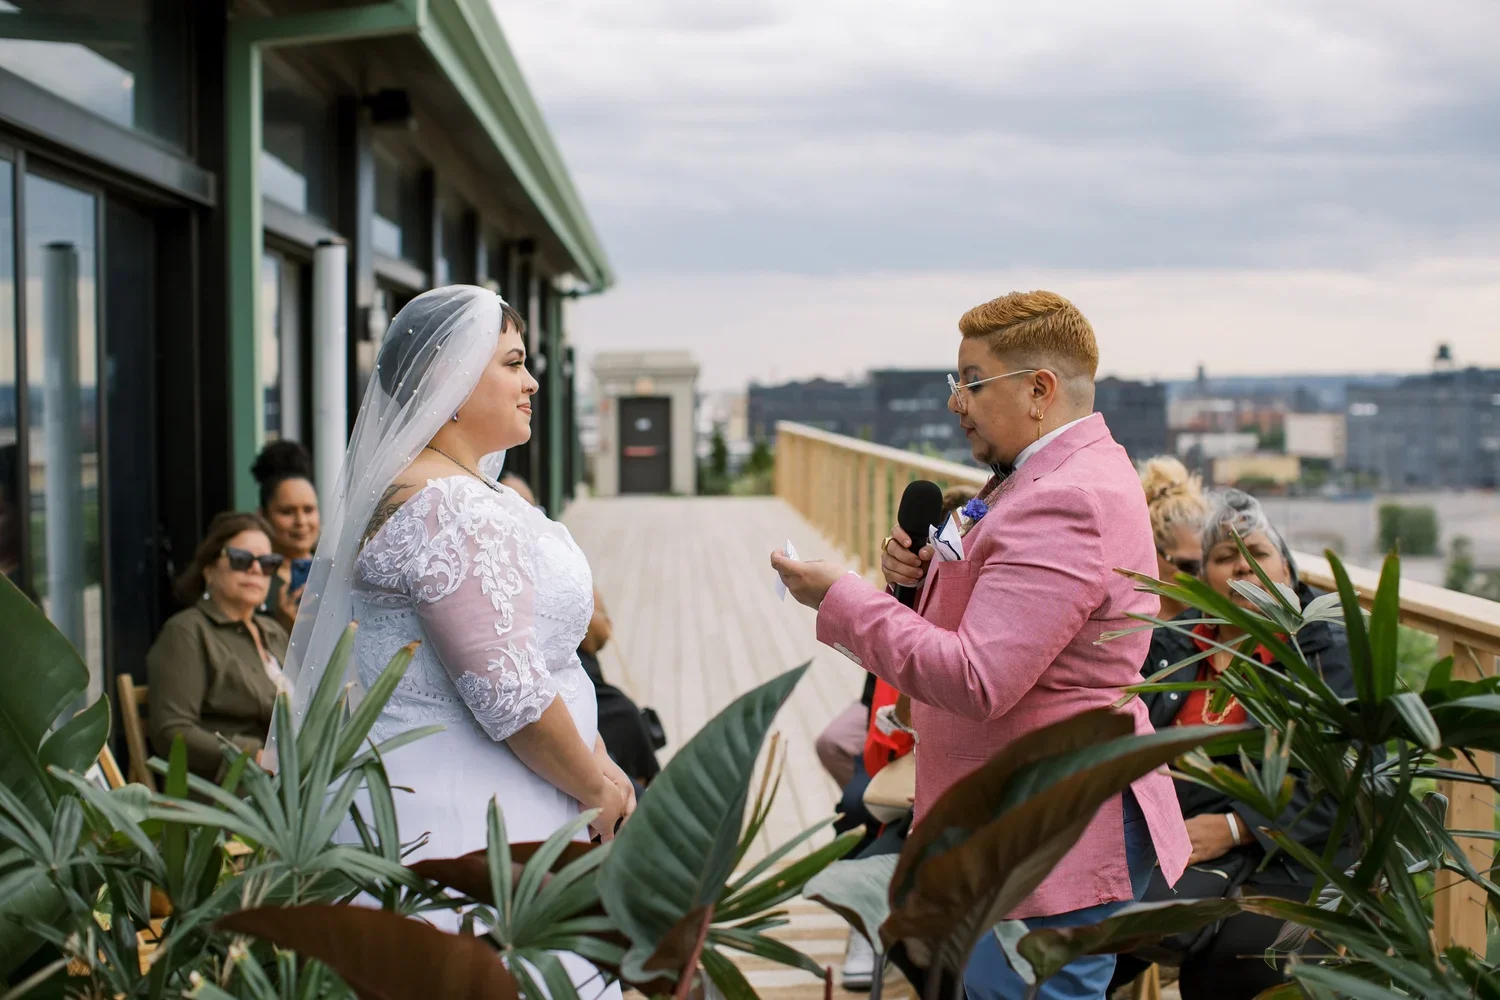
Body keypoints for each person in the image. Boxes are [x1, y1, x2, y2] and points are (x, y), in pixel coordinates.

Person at [772, 290, 1190, 1000]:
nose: (956, 403)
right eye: (953, 383)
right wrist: (925, 573)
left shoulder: (1066, 500)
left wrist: (841, 598)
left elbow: (978, 677)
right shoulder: (1043, 473)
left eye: (971, 382)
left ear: (1038, 390)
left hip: (1042, 838)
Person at [275, 286, 628, 1000]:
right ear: (453, 383)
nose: (532, 382)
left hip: (507, 790)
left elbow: (534, 658)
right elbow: (511, 696)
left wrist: (599, 755)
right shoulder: (447, 509)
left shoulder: (455, 491)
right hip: (476, 815)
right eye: (513, 363)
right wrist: (597, 789)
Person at [1110, 490, 1354, 1000]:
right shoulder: (1172, 642)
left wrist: (1233, 827)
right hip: (1167, 843)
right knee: (1061, 935)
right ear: (1205, 579)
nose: (1243, 568)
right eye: (1224, 557)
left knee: (1236, 964)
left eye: (1258, 554)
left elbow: (1340, 780)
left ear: (1286, 569)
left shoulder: (1325, 649)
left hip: (1288, 850)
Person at [147, 512, 290, 781]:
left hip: (293, 783)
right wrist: (251, 755)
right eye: (241, 559)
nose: (256, 570)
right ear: (209, 568)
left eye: (268, 563)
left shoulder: (273, 631)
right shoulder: (186, 631)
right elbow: (171, 732)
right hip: (231, 794)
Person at [251, 440, 321, 630]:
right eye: (287, 512)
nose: (301, 521)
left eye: (308, 510)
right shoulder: (252, 577)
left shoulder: (337, 572)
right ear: (262, 515)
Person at [1138, 456, 1208, 621]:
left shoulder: (1216, 630)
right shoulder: (1123, 624)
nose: (1202, 578)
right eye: (1189, 566)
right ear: (1153, 554)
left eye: (1207, 565)